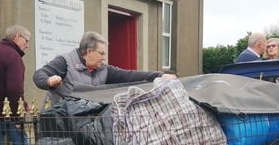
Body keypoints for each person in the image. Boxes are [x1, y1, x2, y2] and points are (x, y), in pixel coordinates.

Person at [33, 31, 177, 107]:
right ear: (89, 52)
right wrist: (49, 80)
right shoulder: (64, 62)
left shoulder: (103, 69)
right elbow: (39, 74)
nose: (104, 58)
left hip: (82, 124)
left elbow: (129, 75)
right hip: (58, 127)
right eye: (101, 53)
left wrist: (159, 75)